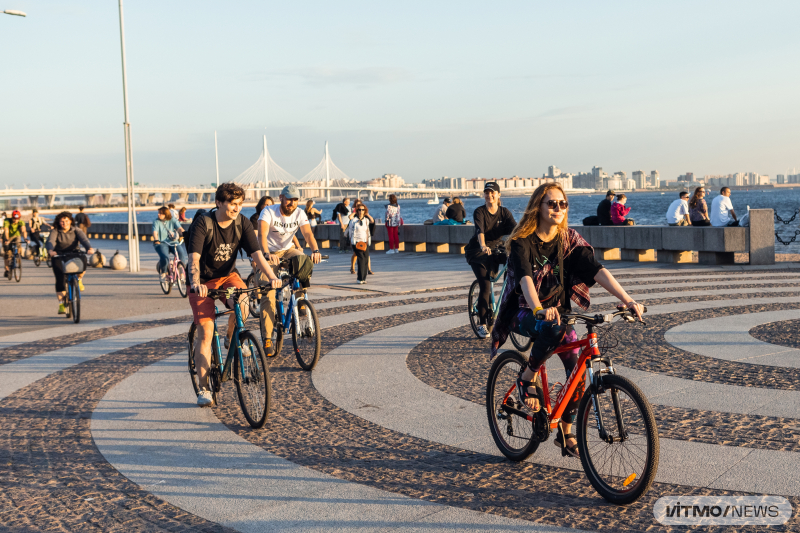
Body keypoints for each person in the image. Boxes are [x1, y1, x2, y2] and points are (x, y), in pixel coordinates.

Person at [491, 182, 643, 458]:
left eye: (563, 204)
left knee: (578, 370)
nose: (558, 208)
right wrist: (538, 308)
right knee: (551, 326)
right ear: (539, 206)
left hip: (558, 314)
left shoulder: (568, 239)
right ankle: (528, 376)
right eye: (552, 203)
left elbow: (595, 269)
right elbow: (525, 277)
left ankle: (566, 432)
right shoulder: (521, 242)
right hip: (525, 311)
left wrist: (627, 299)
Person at [187, 182, 282, 407]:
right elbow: (194, 260)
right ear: (219, 202)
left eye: (239, 204)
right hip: (203, 281)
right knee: (206, 333)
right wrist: (195, 283)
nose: (236, 208)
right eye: (231, 204)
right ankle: (204, 388)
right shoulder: (204, 223)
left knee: (244, 302)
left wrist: (271, 277)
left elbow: (257, 254)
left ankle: (232, 337)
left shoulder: (241, 222)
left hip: (228, 276)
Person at [258, 184, 323, 354]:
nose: (292, 203)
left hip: (287, 250)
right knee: (268, 291)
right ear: (281, 197)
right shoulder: (269, 212)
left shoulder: (300, 213)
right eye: (289, 199)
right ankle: (267, 338)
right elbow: (262, 235)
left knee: (304, 262)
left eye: (295, 200)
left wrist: (315, 250)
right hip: (269, 251)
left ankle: (301, 300)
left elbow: (308, 234)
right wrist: (265, 254)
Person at [464, 182, 516, 338]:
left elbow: (515, 228)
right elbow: (480, 231)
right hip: (478, 252)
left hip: (497, 249)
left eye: (492, 192)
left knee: (515, 269)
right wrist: (483, 245)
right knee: (485, 285)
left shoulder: (504, 212)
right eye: (486, 192)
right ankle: (481, 323)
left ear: (499, 195)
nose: (489, 195)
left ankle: (511, 309)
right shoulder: (480, 211)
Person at [46, 211, 93, 313]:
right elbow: (51, 241)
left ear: (71, 221)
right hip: (59, 255)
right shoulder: (55, 231)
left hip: (73, 253)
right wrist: (50, 251)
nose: (64, 223)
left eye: (66, 221)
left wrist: (89, 248)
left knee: (83, 260)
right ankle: (62, 304)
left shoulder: (76, 230)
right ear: (58, 222)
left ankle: (79, 279)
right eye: (62, 221)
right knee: (60, 279)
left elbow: (84, 240)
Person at [152, 206, 187, 280]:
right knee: (165, 257)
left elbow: (179, 228)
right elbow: (155, 232)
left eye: (161, 213)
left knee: (181, 253)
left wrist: (185, 234)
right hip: (161, 242)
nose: (158, 215)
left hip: (173, 242)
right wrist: (156, 240)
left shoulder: (172, 220)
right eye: (158, 213)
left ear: (166, 214)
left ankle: (181, 271)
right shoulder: (156, 221)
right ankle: (163, 273)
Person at [347, 204, 372, 284]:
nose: (361, 211)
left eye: (362, 210)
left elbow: (368, 231)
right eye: (359, 210)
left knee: (365, 259)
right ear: (357, 211)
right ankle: (359, 278)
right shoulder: (353, 221)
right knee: (361, 258)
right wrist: (352, 242)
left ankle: (363, 278)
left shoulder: (366, 220)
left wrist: (368, 241)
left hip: (365, 242)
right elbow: (350, 231)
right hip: (356, 242)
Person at [349, 200, 375, 275]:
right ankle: (353, 267)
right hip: (356, 240)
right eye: (359, 208)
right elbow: (350, 217)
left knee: (366, 256)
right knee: (356, 254)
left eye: (362, 209)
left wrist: (366, 214)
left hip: (364, 240)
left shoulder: (365, 218)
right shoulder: (354, 218)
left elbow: (372, 221)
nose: (361, 210)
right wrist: (355, 212)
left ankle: (369, 269)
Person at [3, 210, 28, 279]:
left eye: (17, 219)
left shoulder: (21, 222)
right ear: (12, 217)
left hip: (16, 235)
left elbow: (23, 230)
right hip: (8, 237)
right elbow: (6, 230)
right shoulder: (7, 221)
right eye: (14, 218)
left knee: (19, 243)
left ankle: (18, 256)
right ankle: (7, 269)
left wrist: (25, 238)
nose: (15, 220)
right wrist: (7, 240)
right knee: (7, 254)